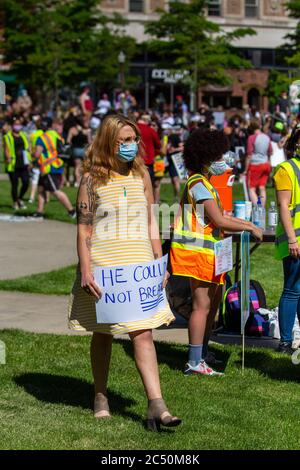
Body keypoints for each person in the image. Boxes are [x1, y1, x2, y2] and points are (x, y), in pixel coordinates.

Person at [68, 114, 181, 430]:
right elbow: (84, 230)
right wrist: (86, 270)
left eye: (134, 140)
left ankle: (157, 405)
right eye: (125, 141)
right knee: (104, 332)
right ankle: (100, 395)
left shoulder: (141, 174)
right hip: (106, 264)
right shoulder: (91, 180)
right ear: (108, 142)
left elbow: (150, 221)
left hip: (139, 263)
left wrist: (160, 262)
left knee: (143, 331)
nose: (132, 146)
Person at [170, 128, 263, 376]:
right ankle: (193, 361)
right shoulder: (199, 183)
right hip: (198, 255)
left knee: (211, 307)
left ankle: (202, 354)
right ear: (206, 157)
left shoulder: (205, 182)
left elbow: (216, 220)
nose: (223, 161)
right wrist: (250, 225)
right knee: (202, 306)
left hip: (210, 254)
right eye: (218, 155)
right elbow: (220, 222)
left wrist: (243, 224)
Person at [274, 124, 300, 354]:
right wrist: (292, 239)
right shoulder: (286, 169)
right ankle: (284, 341)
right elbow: (283, 206)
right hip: (295, 240)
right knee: (292, 289)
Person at [33, 117, 76, 219]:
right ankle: (39, 211)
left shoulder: (42, 138)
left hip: (48, 168)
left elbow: (37, 154)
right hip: (56, 166)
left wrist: (31, 154)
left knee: (55, 191)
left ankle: (72, 211)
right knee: (41, 189)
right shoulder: (56, 135)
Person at [3, 117, 31, 210]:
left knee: (26, 182)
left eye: (19, 124)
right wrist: (7, 157)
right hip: (13, 164)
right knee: (14, 184)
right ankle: (15, 202)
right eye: (16, 124)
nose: (18, 126)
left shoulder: (23, 135)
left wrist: (30, 160)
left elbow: (27, 148)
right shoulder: (7, 136)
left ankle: (20, 198)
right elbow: (6, 149)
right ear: (12, 125)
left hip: (24, 163)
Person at [245, 119, 273, 207]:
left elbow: (249, 155)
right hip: (266, 164)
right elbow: (270, 152)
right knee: (262, 187)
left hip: (255, 164)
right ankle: (262, 208)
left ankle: (258, 207)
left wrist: (245, 170)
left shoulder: (251, 138)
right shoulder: (267, 137)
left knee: (252, 188)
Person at [137, 113, 161, 185]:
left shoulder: (133, 128)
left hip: (136, 160)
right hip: (148, 160)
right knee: (148, 184)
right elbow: (158, 145)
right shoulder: (150, 130)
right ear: (147, 121)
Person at [67, 115, 92, 187]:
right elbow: (89, 141)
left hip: (75, 150)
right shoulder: (87, 130)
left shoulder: (72, 129)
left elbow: (68, 141)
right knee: (84, 166)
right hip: (84, 150)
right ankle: (82, 181)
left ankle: (77, 182)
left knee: (77, 166)